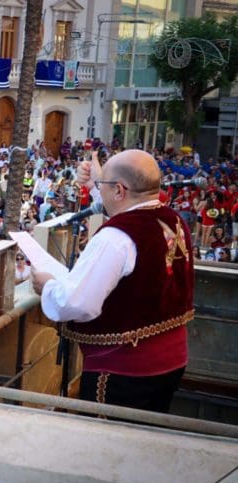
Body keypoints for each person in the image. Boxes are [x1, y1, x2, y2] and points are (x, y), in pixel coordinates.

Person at [32, 149, 194, 413]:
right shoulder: (173, 220)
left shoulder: (115, 238)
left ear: (119, 190)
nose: (99, 191)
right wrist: (101, 179)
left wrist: (48, 286)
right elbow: (130, 212)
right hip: (170, 361)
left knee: (108, 443)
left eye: (102, 186)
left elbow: (78, 304)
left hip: (124, 369)